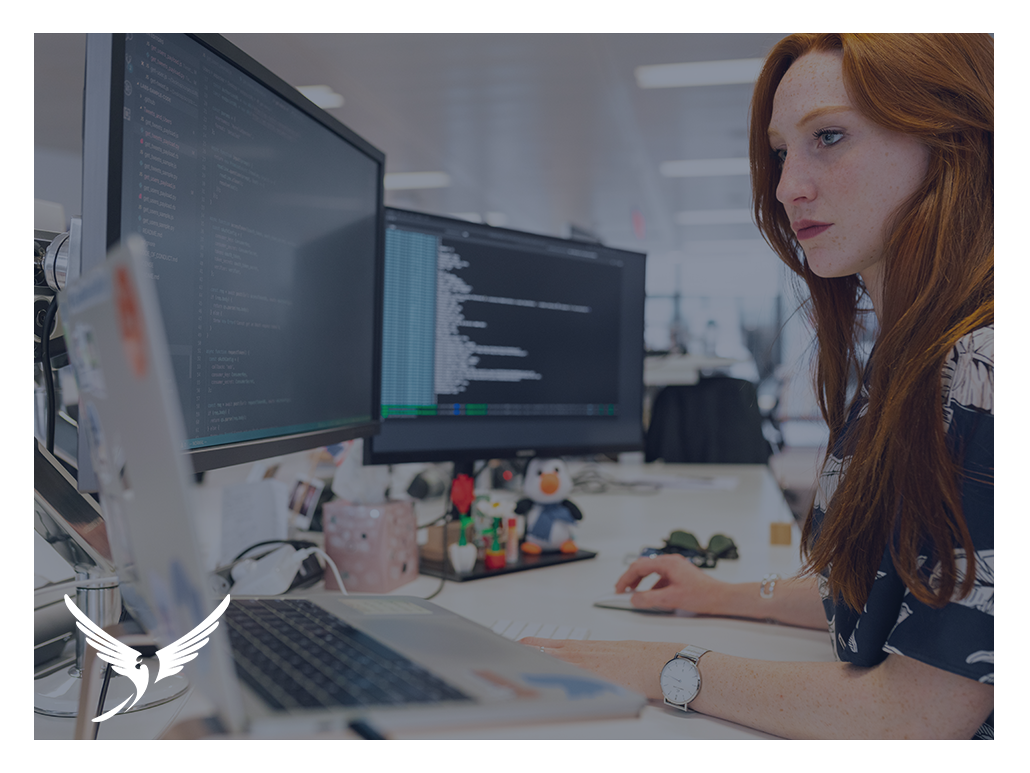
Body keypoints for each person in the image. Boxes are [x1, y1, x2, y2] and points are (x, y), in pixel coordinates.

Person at [522, 33, 993, 739]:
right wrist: (724, 594)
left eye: (828, 136)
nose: (786, 186)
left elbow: (921, 710)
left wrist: (661, 668)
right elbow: (893, 596)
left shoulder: (984, 371)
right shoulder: (907, 363)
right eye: (781, 152)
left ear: (948, 141)